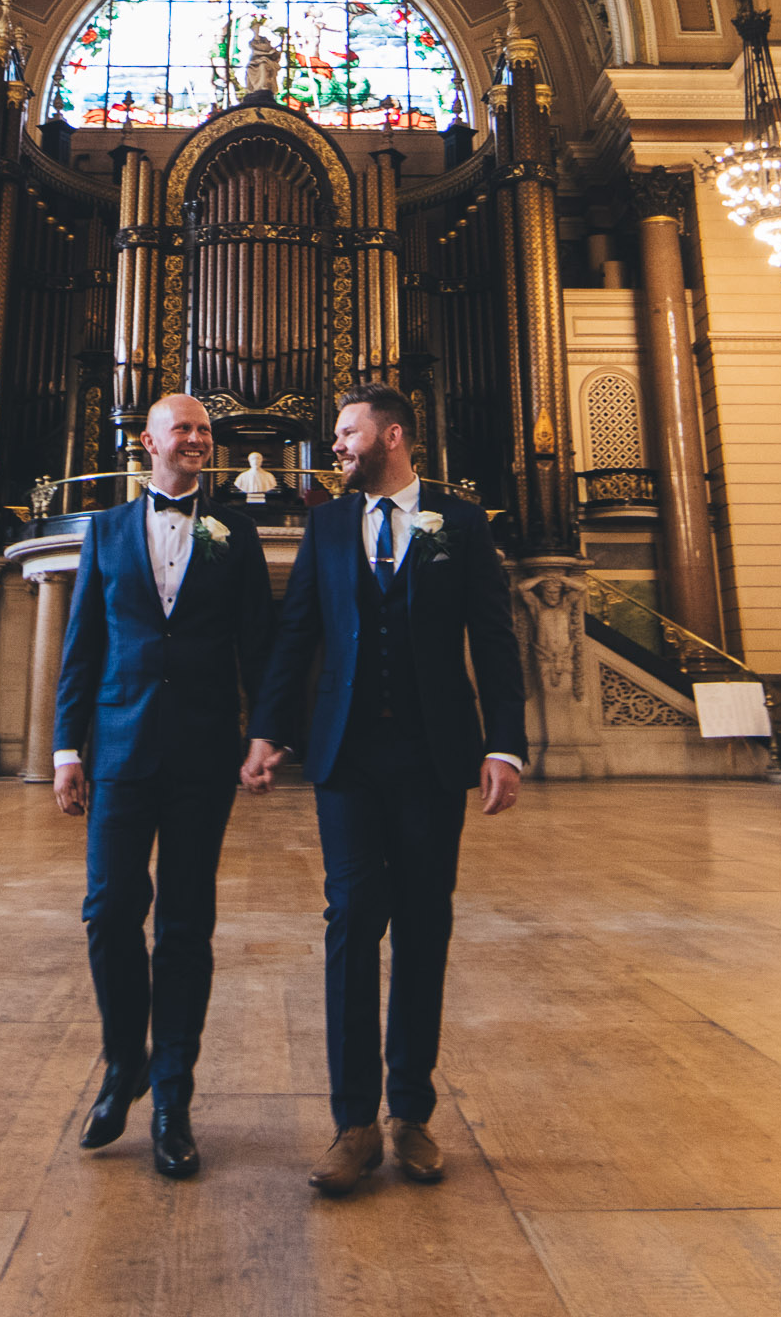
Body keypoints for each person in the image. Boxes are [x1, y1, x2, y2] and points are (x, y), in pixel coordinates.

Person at [243, 383, 528, 1198]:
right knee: (350, 922)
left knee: (425, 923)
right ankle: (352, 1123)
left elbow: (495, 640)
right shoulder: (328, 523)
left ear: (392, 435)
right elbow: (299, 632)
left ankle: (411, 1113)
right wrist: (268, 730)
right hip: (347, 757)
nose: (334, 446)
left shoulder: (461, 523)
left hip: (437, 755)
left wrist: (504, 744)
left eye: (346, 433)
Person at [51, 391, 276, 1179]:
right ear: (146, 442)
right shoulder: (107, 530)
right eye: (182, 428)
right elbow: (83, 645)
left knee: (185, 926)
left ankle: (174, 1097)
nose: (197, 439)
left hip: (205, 752)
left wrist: (264, 734)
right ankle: (124, 1066)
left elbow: (260, 641)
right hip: (118, 746)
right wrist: (64, 750)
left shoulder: (236, 531)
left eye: (205, 431)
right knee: (109, 911)